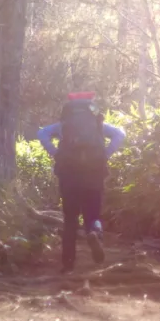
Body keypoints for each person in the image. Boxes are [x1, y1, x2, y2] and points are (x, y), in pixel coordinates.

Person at [37, 91, 126, 273]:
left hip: (69, 175)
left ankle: (68, 263)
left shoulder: (63, 125)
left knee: (70, 218)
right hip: (94, 173)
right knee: (93, 215)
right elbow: (119, 134)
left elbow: (42, 133)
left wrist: (56, 154)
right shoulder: (98, 123)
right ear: (90, 106)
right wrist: (105, 155)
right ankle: (94, 232)